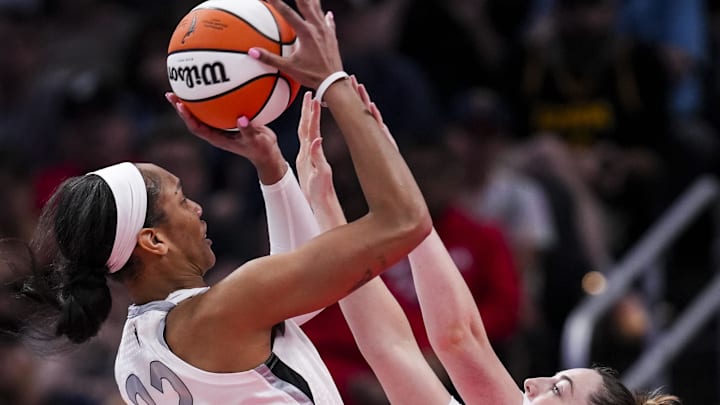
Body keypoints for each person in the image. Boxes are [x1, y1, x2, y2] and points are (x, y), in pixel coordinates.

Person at [6, 0, 431, 404]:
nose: (198, 207)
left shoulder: (136, 352)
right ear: (153, 240)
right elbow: (404, 221)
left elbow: (303, 293)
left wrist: (272, 167)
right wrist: (333, 82)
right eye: (181, 198)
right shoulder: (224, 309)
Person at [290, 77, 682, 405]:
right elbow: (389, 346)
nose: (533, 382)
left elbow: (459, 338)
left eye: (559, 390)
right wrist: (325, 203)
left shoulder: (483, 236)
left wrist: (336, 85)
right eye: (553, 380)